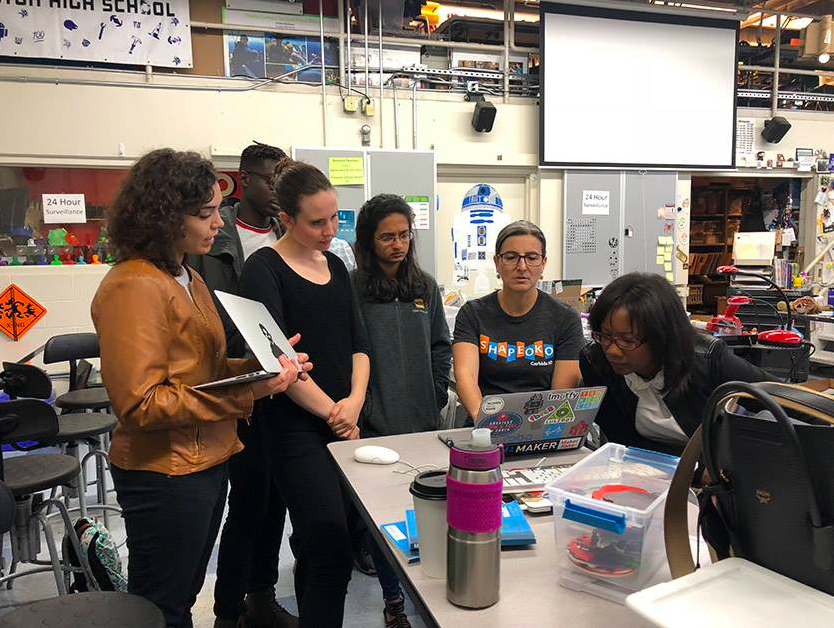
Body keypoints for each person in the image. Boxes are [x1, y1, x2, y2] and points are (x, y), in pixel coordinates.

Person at [91, 149, 310, 628]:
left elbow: (202, 367)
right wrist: (248, 392)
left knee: (183, 595)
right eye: (205, 213)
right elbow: (141, 403)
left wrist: (261, 367)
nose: (218, 223)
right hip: (163, 471)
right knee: (162, 605)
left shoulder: (188, 276)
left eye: (217, 210)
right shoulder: (134, 286)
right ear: (166, 216)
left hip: (206, 458)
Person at [237, 158, 369, 628]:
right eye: (317, 222)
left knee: (328, 550)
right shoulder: (263, 269)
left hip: (345, 421)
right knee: (329, 545)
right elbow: (280, 362)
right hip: (294, 428)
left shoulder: (335, 263)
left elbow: (360, 345)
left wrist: (353, 404)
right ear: (286, 219)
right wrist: (336, 413)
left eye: (335, 217)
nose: (330, 230)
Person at [189, 143, 298, 628]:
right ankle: (228, 611)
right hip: (231, 385)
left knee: (275, 501)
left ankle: (261, 596)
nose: (277, 189)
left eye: (283, 179)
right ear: (244, 179)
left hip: (278, 385)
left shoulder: (283, 233)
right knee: (247, 504)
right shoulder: (214, 240)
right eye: (270, 179)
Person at [351, 194, 451, 628]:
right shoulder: (353, 287)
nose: (398, 244)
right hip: (376, 423)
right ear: (368, 241)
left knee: (426, 512)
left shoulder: (425, 286)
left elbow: (440, 345)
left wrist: (434, 392)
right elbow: (349, 352)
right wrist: (367, 405)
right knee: (382, 519)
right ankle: (394, 602)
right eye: (387, 237)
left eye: (404, 235)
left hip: (423, 420)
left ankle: (428, 594)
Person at [580, 272, 772, 455]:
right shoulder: (596, 362)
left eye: (628, 340)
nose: (612, 350)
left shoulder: (707, 359)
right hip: (649, 470)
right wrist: (688, 470)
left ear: (661, 337)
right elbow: (621, 439)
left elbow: (788, 401)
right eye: (604, 336)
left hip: (721, 471)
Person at [453, 220, 583, 420]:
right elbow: (465, 375)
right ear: (497, 262)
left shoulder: (565, 319)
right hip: (485, 424)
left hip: (541, 425)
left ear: (543, 263)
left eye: (532, 257)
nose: (522, 267)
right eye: (511, 257)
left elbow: (560, 396)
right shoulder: (472, 314)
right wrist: (485, 421)